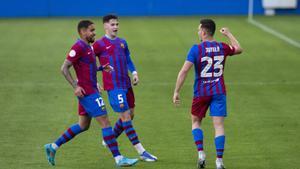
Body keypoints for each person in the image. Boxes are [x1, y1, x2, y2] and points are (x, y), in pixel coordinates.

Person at [44, 20, 138, 167]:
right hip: (87, 93)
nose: (94, 33)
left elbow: (87, 68)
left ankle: (53, 146)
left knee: (83, 125)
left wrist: (101, 69)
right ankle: (119, 158)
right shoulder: (78, 47)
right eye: (91, 30)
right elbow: (64, 68)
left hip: (91, 90)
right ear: (83, 32)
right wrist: (76, 86)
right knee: (105, 122)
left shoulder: (87, 47)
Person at [173, 19, 243, 169]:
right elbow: (239, 48)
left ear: (204, 32)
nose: (198, 32)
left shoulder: (196, 49)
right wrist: (228, 34)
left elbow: (184, 70)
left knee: (196, 122)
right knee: (218, 126)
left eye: (199, 30)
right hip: (218, 91)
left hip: (201, 92)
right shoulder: (222, 47)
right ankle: (219, 161)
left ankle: (201, 154)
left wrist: (176, 91)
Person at [92, 14, 157, 162]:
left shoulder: (122, 42)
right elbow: (89, 63)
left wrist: (134, 72)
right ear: (105, 26)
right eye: (112, 24)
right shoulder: (99, 44)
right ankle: (142, 152)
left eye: (117, 24)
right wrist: (96, 78)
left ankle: (110, 138)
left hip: (126, 84)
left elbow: (128, 59)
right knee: (126, 117)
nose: (116, 27)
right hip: (114, 86)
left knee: (131, 114)